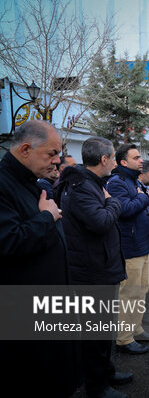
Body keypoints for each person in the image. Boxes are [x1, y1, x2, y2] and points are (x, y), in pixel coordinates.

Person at [0, 120, 80, 397]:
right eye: (52, 154)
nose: (58, 161)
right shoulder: (3, 185)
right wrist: (47, 216)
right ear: (25, 149)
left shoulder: (29, 182)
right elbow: (9, 241)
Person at [57, 136, 133, 398]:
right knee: (95, 333)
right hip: (91, 272)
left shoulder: (90, 183)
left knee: (103, 331)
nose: (114, 162)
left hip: (99, 267)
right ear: (104, 160)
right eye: (112, 157)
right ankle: (97, 386)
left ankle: (106, 373)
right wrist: (113, 201)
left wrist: (107, 198)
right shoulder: (81, 187)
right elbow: (101, 221)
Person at [107, 144, 149, 354]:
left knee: (141, 291)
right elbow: (126, 209)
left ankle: (136, 329)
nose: (141, 160)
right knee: (129, 294)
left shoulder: (133, 181)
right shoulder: (116, 183)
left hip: (142, 243)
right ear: (123, 162)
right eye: (136, 157)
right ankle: (124, 338)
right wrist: (143, 198)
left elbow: (140, 206)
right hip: (130, 247)